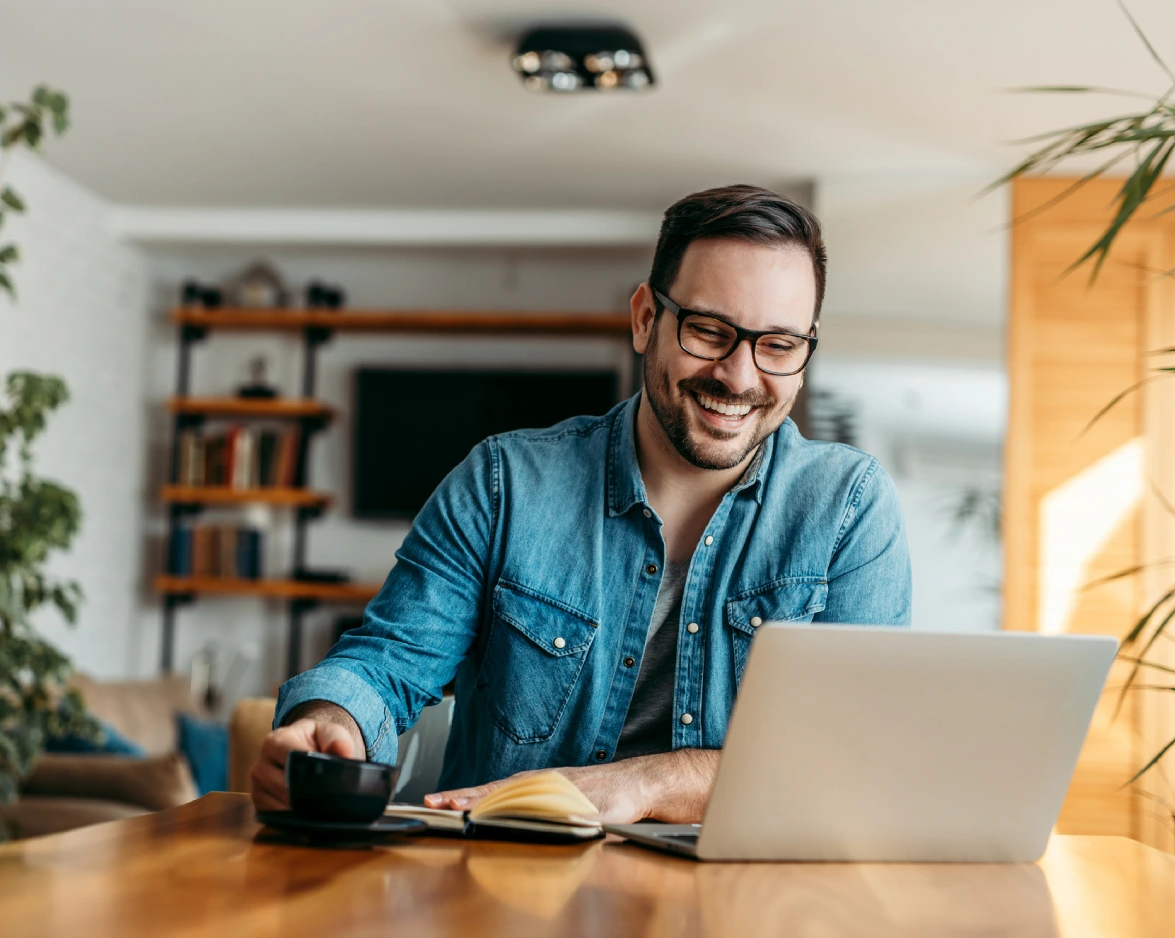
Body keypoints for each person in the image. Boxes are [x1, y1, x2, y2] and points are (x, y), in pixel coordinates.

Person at [250, 185, 911, 823]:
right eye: (709, 331)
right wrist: (329, 725)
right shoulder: (504, 483)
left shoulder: (848, 507)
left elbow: (852, 756)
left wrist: (648, 782)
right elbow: (388, 663)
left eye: (778, 345)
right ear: (645, 319)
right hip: (505, 876)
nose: (739, 376)